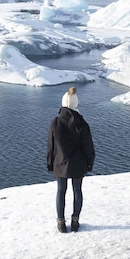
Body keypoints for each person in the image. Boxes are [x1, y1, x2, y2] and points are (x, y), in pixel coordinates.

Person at [46, 86, 95, 233]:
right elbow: (88, 147)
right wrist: (89, 163)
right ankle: (75, 221)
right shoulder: (82, 123)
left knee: (61, 191)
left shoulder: (56, 122)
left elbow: (51, 146)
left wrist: (50, 163)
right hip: (78, 164)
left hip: (60, 163)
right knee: (77, 191)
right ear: (76, 103)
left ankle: (61, 222)